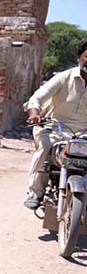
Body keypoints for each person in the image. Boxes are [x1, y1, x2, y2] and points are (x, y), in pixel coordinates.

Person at [23, 39, 87, 209]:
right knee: (44, 147)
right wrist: (35, 113)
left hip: (84, 134)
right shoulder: (65, 77)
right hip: (56, 127)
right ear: (79, 58)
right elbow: (38, 97)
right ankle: (35, 192)